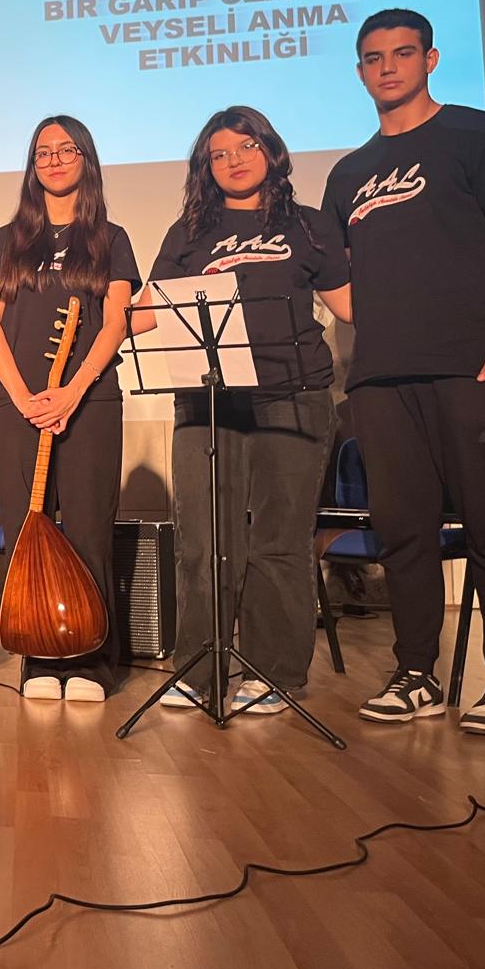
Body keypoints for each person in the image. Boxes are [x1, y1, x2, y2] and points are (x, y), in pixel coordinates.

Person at [324, 8, 485, 735]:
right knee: (403, 531)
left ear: (430, 59)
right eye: (373, 58)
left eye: (402, 53)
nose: (387, 67)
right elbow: (346, 288)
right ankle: (417, 672)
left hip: (471, 365)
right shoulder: (348, 173)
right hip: (380, 378)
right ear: (359, 72)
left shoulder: (477, 135)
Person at [132, 107, 350, 714]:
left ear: (271, 152)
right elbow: (147, 311)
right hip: (208, 404)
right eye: (219, 153)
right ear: (205, 167)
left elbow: (352, 305)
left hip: (293, 397)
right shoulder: (188, 233)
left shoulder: (307, 227)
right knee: (202, 542)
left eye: (246, 146)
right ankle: (199, 668)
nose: (233, 160)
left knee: (278, 542)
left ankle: (275, 673)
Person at [0, 116, 138, 702]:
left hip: (89, 402)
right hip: (16, 403)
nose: (53, 159)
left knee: (90, 530)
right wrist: (20, 397)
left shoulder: (110, 238)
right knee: (27, 530)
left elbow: (116, 320)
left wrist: (72, 392)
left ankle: (94, 662)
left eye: (65, 149)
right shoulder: (7, 239)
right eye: (42, 151)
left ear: (86, 159)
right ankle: (40, 658)